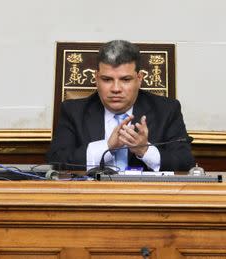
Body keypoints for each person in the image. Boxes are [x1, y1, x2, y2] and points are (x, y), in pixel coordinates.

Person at [47, 40, 195, 172]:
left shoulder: (166, 110)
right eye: (107, 79)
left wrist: (144, 150)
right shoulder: (73, 111)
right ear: (96, 79)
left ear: (139, 79)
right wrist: (107, 146)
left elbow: (185, 162)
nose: (116, 88)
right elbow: (56, 161)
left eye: (125, 79)